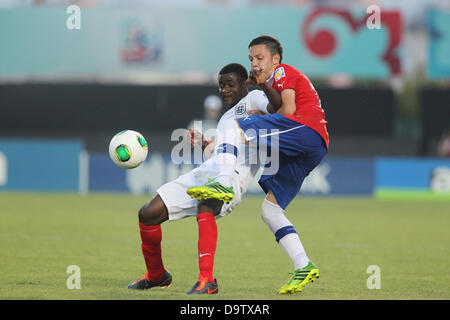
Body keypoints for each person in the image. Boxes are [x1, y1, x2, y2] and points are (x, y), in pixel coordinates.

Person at [187, 35, 329, 295]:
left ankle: (224, 183)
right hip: (308, 148)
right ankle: (304, 264)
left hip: (305, 132)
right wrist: (206, 143)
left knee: (238, 125)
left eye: (259, 58)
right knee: (270, 211)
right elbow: (269, 121)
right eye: (251, 58)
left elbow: (287, 112)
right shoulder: (268, 83)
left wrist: (260, 104)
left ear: (275, 59)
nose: (254, 63)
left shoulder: (283, 71)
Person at [127, 63, 269, 294]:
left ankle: (207, 280)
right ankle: (156, 276)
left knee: (206, 206)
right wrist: (205, 143)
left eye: (230, 84)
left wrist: (266, 105)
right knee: (148, 213)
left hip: (230, 178)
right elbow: (223, 150)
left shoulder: (253, 99)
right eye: (221, 86)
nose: (224, 90)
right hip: (206, 172)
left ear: (245, 84)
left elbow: (276, 108)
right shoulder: (227, 117)